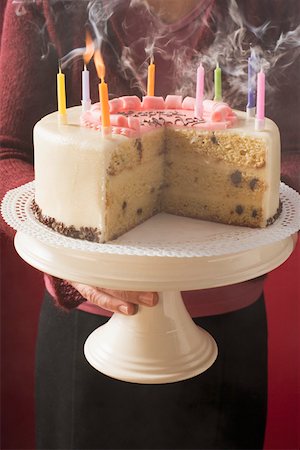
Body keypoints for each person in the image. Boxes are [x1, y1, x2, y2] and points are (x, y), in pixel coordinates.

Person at [0, 0, 299, 449]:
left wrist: (258, 193)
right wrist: (76, 266)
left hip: (231, 328)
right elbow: (5, 152)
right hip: (89, 328)